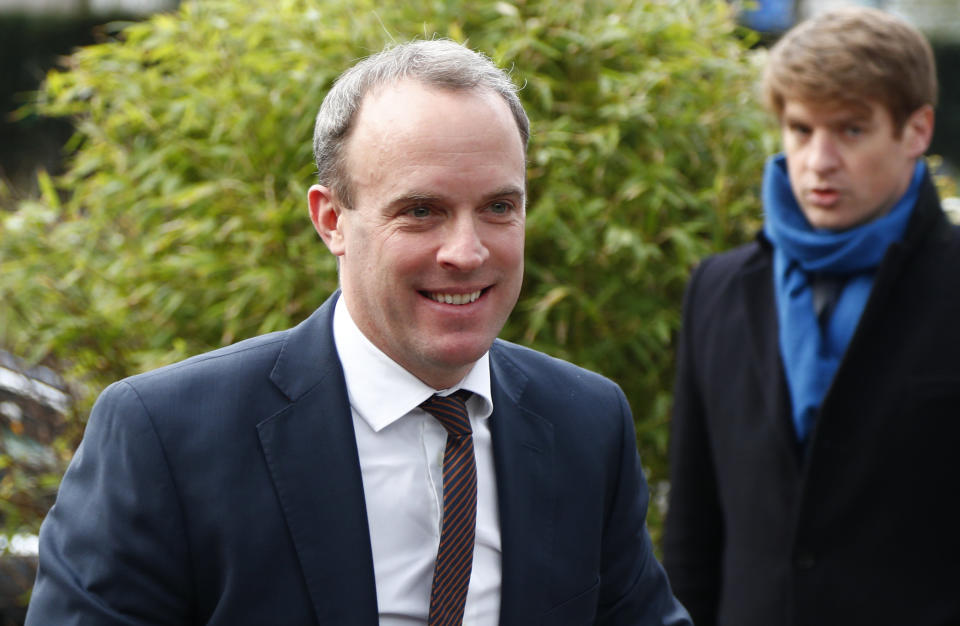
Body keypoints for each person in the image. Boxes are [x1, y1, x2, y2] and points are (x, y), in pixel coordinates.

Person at [26, 39, 691, 626]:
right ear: (331, 220)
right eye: (422, 211)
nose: (466, 251)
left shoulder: (585, 422)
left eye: (498, 207)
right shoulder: (165, 438)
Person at [663, 7, 960, 626]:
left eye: (850, 131)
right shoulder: (716, 290)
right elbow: (692, 532)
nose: (819, 160)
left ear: (917, 130)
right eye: (800, 130)